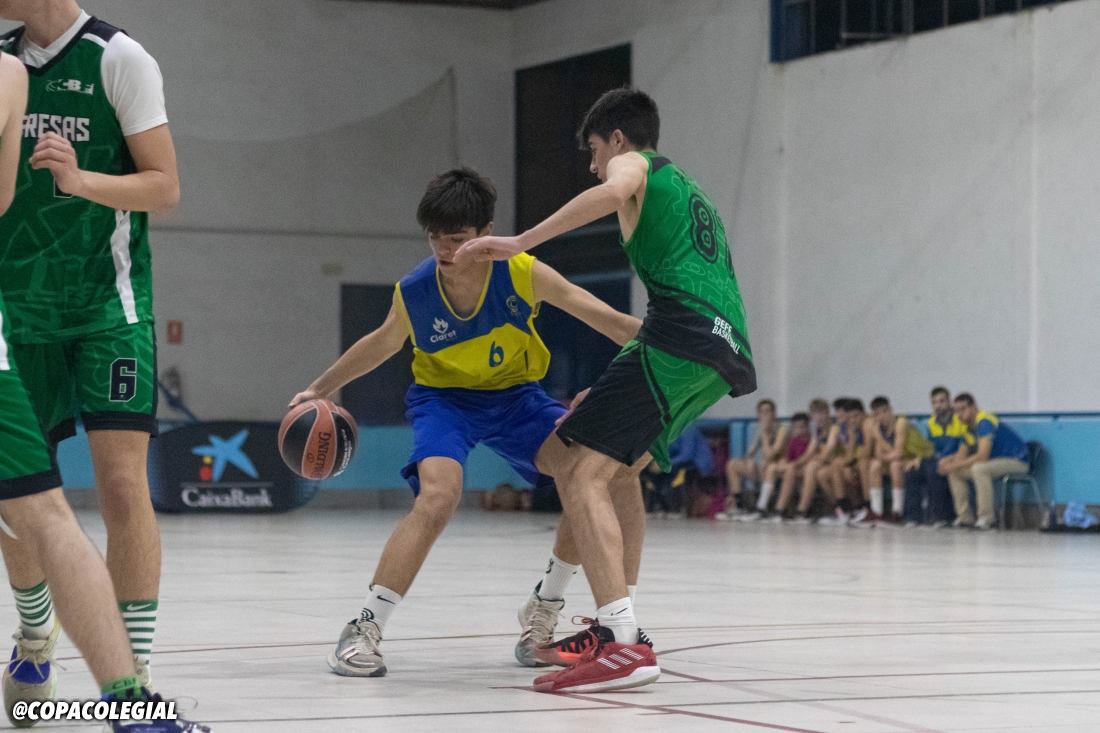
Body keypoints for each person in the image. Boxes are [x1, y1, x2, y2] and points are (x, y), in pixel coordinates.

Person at [289, 168, 646, 676]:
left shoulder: (522, 273)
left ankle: (544, 608)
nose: (444, 248)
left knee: (587, 473)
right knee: (438, 497)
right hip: (445, 402)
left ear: (486, 233)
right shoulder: (416, 290)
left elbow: (609, 320)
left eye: (456, 238)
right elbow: (383, 341)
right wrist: (321, 387)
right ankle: (364, 627)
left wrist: (680, 351)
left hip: (518, 399)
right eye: (435, 236)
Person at [457, 87, 756, 692]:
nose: (594, 165)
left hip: (679, 335)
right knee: (608, 469)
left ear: (617, 138)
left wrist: (520, 241)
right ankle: (603, 621)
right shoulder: (687, 187)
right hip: (721, 350)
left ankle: (623, 643)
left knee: (579, 473)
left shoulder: (635, 165)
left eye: (594, 150)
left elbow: (613, 190)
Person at [0, 46, 207, 733]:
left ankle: (132, 676)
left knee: (122, 485)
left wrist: (78, 178)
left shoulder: (115, 59)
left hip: (108, 310)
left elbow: (166, 187)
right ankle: (37, 635)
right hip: (18, 313)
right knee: (26, 499)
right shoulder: (6, 68)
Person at [947, 393, 1029, 530]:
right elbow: (961, 455)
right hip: (995, 463)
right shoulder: (966, 428)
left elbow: (983, 456)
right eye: (956, 411)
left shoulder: (984, 422)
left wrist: (955, 464)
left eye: (962, 409)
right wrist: (950, 465)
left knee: (979, 469)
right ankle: (965, 518)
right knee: (955, 473)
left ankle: (986, 519)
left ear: (973, 407)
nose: (959, 414)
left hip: (1017, 461)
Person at [863, 396, 934, 525]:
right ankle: (876, 512)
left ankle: (897, 511)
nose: (881, 416)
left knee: (895, 465)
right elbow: (879, 455)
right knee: (875, 465)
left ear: (890, 409)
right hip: (904, 459)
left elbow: (898, 453)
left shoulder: (901, 423)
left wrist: (878, 437)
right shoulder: (879, 427)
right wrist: (887, 452)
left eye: (884, 411)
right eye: (876, 414)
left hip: (921, 457)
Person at [904, 386, 966, 527]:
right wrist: (918, 459)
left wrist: (945, 459)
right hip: (938, 459)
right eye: (934, 402)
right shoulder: (931, 422)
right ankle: (913, 518)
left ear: (949, 402)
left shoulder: (959, 420)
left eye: (942, 401)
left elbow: (963, 447)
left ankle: (941, 517)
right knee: (912, 470)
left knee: (934, 469)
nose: (938, 405)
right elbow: (929, 448)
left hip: (955, 458)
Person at [724, 399, 785, 515]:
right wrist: (749, 462)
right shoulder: (759, 429)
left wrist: (764, 432)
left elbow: (770, 455)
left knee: (767, 466)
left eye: (768, 411)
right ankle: (738, 503)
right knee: (732, 464)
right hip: (762, 466)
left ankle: (761, 508)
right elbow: (750, 451)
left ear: (774, 413)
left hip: (777, 466)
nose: (765, 415)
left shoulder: (782, 428)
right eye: (762, 412)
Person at [764, 413, 814, 522]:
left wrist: (791, 464)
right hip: (793, 466)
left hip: (804, 467)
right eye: (796, 427)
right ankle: (762, 505)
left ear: (807, 427)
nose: (799, 430)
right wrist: (783, 461)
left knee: (790, 470)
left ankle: (779, 509)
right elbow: (786, 455)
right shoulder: (790, 439)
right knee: (772, 468)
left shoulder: (810, 439)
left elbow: (806, 457)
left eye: (801, 427)